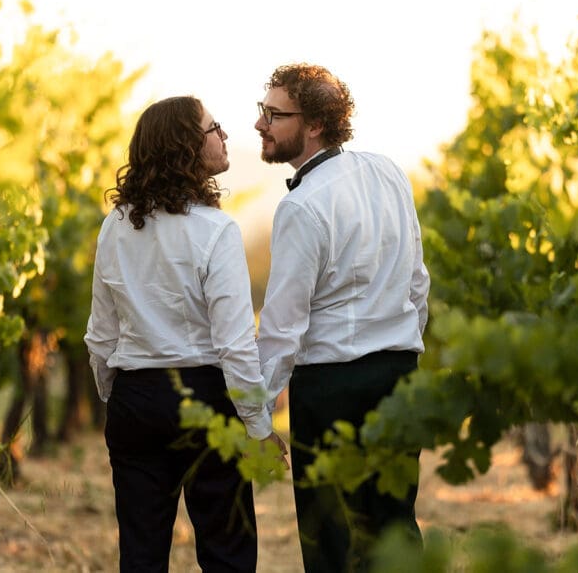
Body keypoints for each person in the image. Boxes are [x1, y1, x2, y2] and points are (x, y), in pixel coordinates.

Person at [84, 95, 286, 573]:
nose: (224, 135)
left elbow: (101, 337)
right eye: (213, 128)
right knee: (227, 553)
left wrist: (121, 395)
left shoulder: (114, 227)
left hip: (136, 397)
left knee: (140, 555)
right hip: (204, 397)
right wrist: (258, 426)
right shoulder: (216, 230)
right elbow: (235, 345)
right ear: (185, 147)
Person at [255, 64, 430, 572]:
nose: (261, 124)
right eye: (263, 110)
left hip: (330, 389)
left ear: (314, 125)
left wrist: (256, 417)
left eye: (275, 115)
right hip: (398, 378)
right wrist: (402, 348)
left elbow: (282, 329)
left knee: (332, 543)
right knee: (395, 532)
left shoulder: (300, 207)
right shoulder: (388, 171)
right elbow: (417, 282)